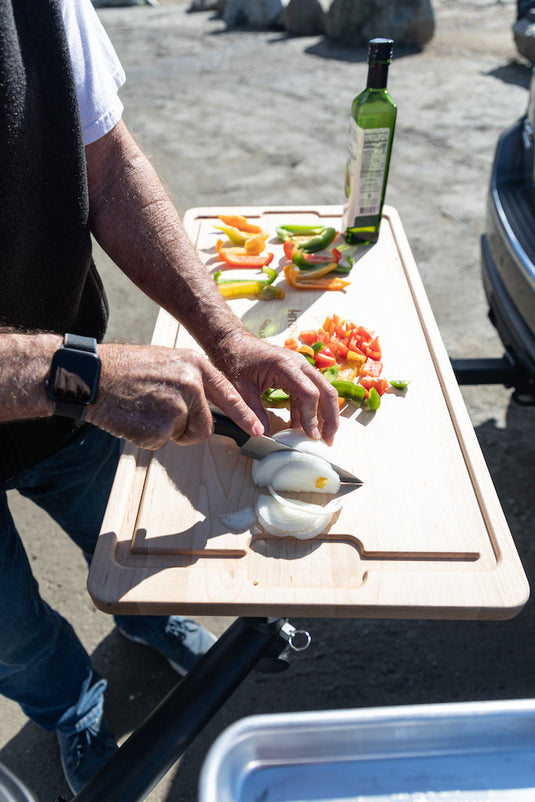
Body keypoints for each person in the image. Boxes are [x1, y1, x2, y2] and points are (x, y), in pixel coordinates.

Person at [0, 0, 339, 793]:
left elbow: (107, 162)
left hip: (74, 406)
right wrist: (71, 374)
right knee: (11, 633)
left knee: (136, 549)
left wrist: (224, 335)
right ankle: (70, 704)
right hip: (78, 382)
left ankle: (148, 620)